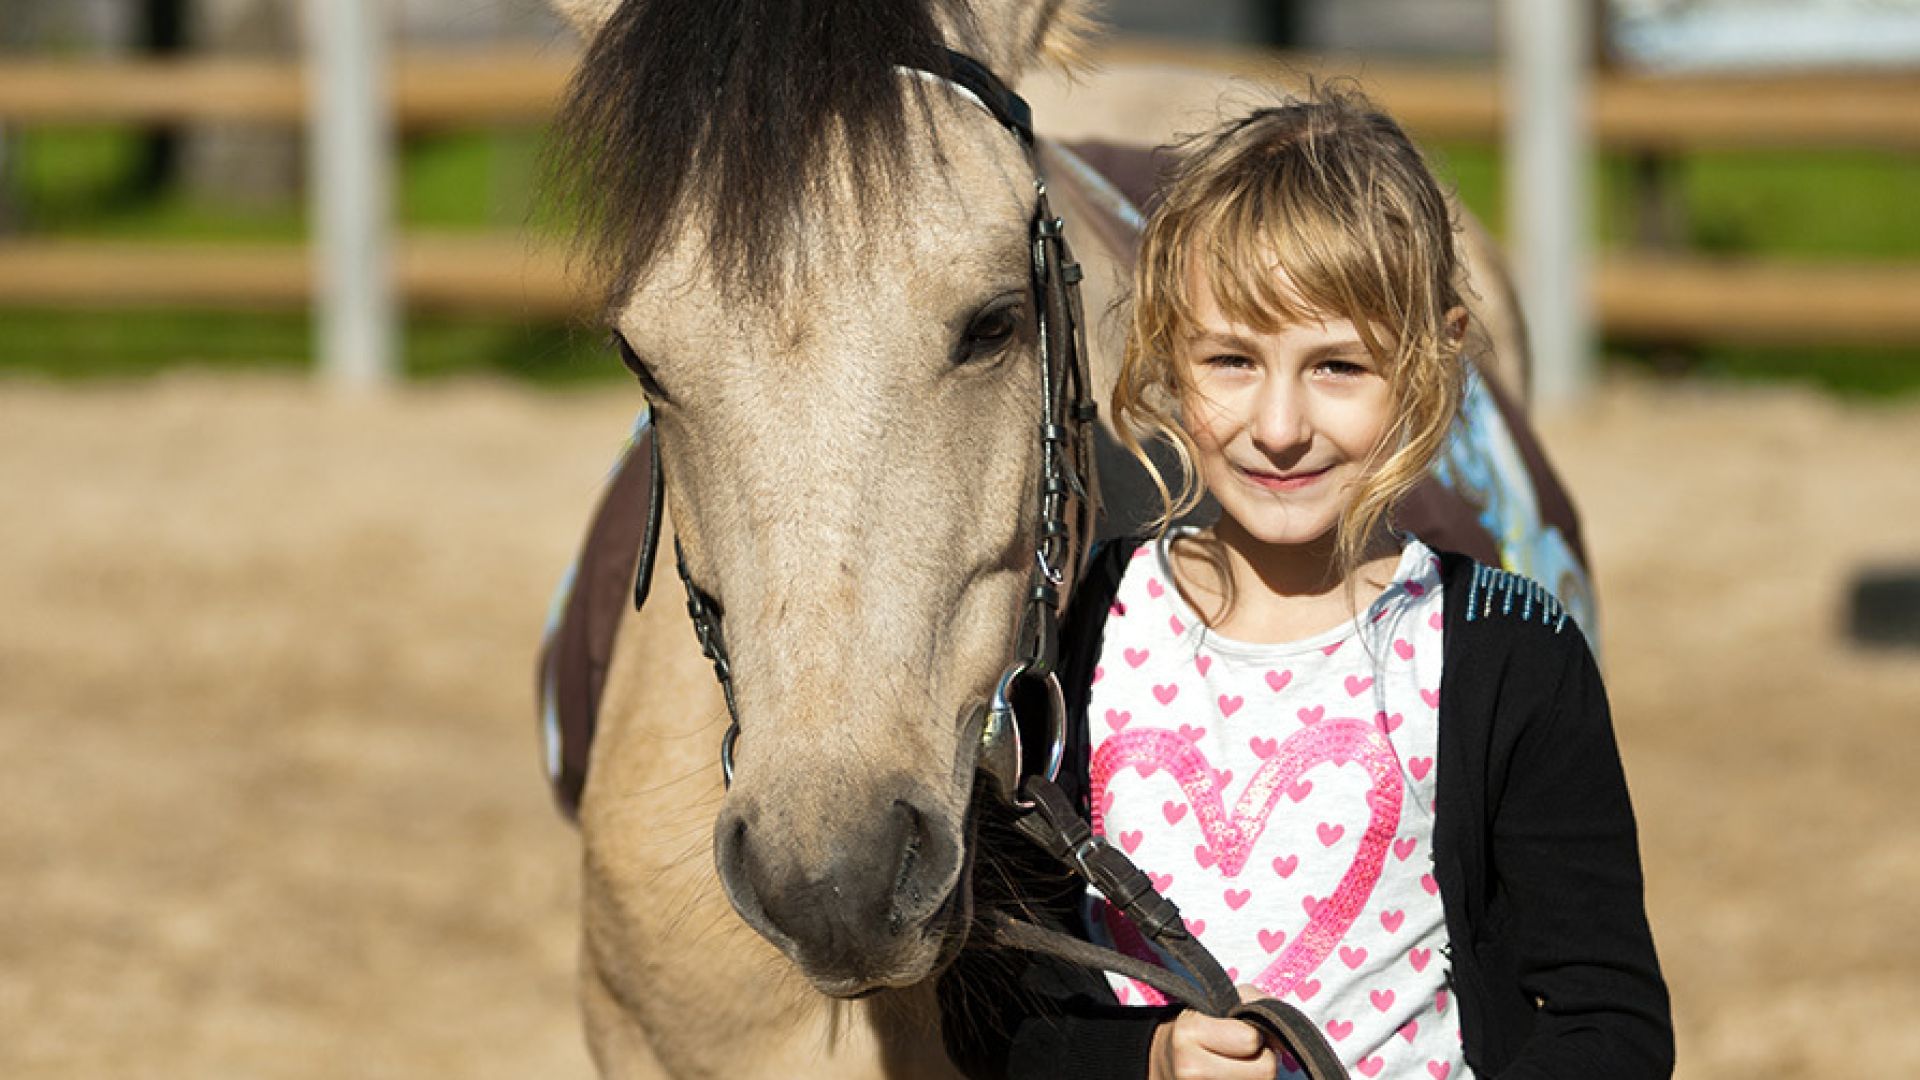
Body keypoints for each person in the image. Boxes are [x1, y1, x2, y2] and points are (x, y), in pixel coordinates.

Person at [940, 86, 1672, 1080]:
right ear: (1164, 350)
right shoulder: (1076, 636)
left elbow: (1611, 1021)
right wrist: (1148, 1061)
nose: (1280, 424)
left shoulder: (1512, 652)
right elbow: (992, 1018)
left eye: (1337, 367)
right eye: (1232, 360)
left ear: (1432, 361)